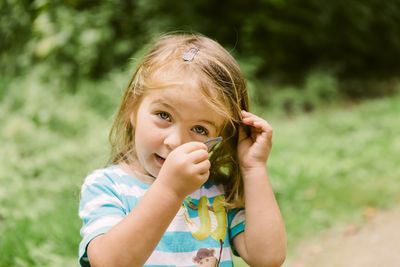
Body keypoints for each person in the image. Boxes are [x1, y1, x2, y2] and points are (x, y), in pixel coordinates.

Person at [78, 33, 286, 267]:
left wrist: (254, 167)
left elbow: (268, 258)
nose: (175, 142)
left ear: (221, 136)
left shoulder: (216, 191)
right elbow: (109, 263)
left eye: (199, 129)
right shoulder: (108, 187)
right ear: (132, 107)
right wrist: (170, 190)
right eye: (164, 115)